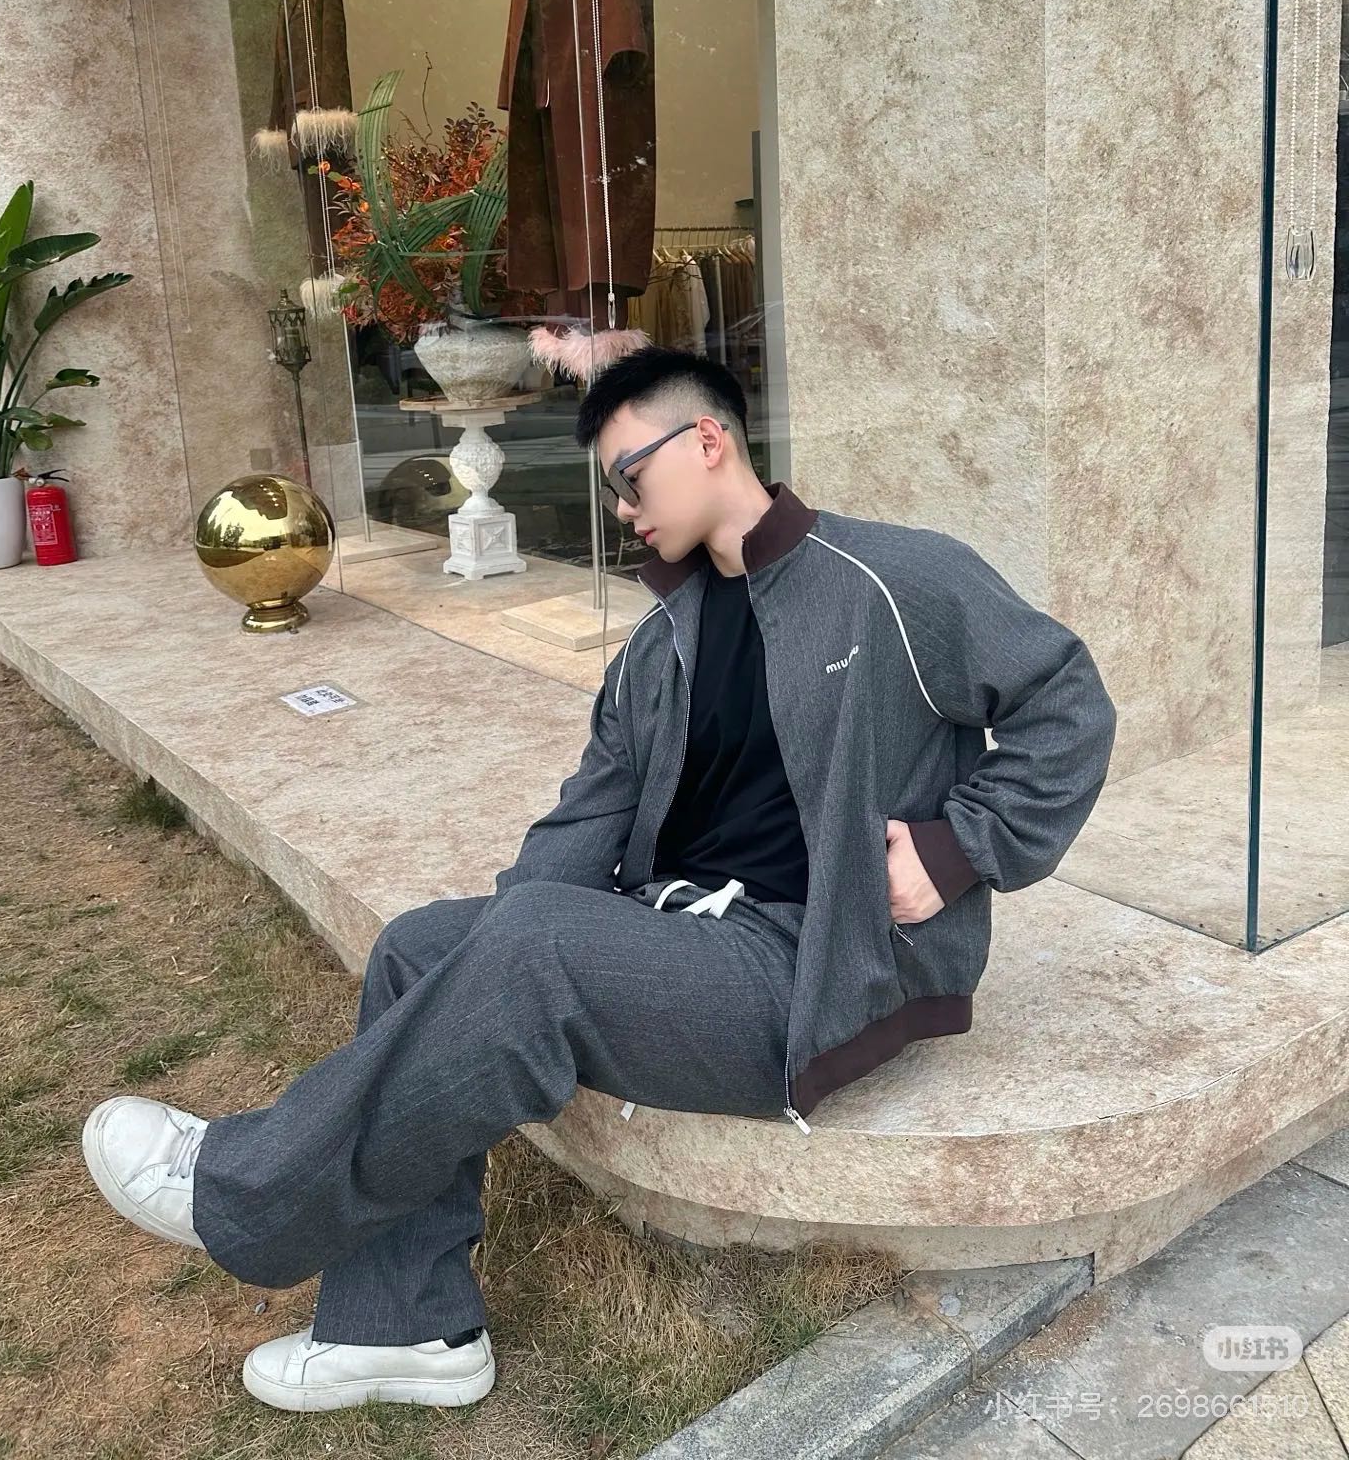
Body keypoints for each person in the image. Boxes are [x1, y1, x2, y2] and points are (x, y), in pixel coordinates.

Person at [80, 345, 1117, 1414]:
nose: (622, 510)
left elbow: (1068, 703)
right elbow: (589, 817)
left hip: (819, 963)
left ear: (707, 441)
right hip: (690, 940)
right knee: (422, 948)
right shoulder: (662, 639)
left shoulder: (892, 579)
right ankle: (408, 1328)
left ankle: (243, 1190)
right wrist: (485, 956)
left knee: (531, 952)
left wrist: (957, 852)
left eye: (630, 478)